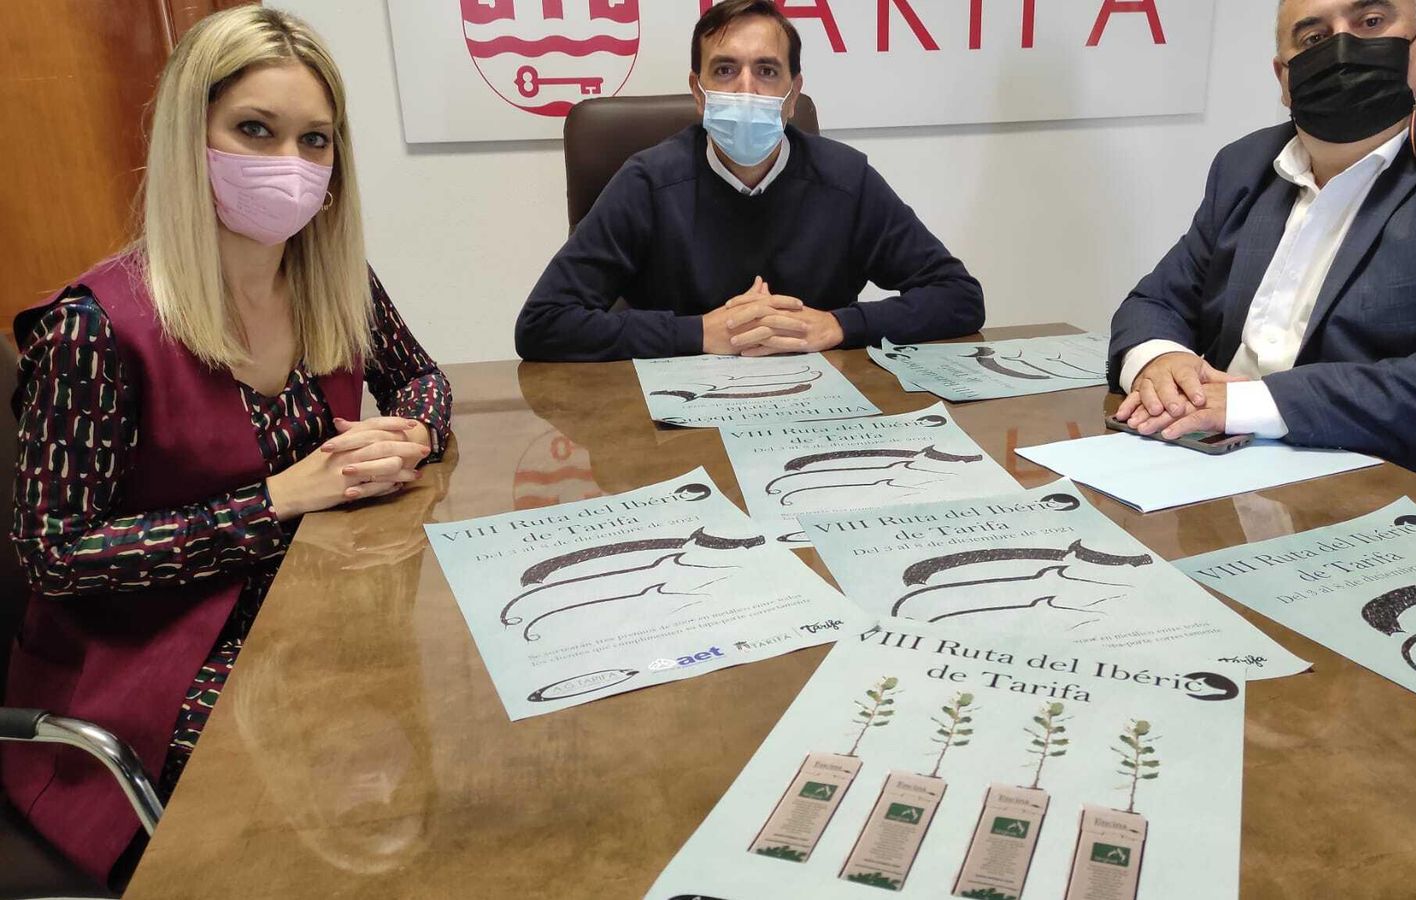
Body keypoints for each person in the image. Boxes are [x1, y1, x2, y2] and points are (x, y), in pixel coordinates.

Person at [3, 7, 452, 886]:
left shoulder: (333, 277)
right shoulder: (93, 330)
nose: (290, 163)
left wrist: (417, 429)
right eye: (255, 129)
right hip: (150, 659)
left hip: (311, 613)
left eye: (314, 140)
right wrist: (278, 499)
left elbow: (423, 377)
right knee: (301, 827)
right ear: (187, 138)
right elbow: (56, 556)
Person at [1108, 0, 1416, 530]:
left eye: (1370, 23)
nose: (1344, 50)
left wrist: (1247, 404)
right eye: (1314, 39)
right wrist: (1161, 365)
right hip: (1229, 486)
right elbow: (1154, 302)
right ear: (1285, 76)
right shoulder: (1245, 165)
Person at [514, 0, 984, 362]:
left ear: (793, 92)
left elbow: (959, 296)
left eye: (766, 70)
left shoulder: (846, 179)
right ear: (699, 93)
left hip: (819, 420)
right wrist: (700, 333)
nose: (746, 88)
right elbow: (542, 323)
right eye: (725, 69)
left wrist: (837, 326)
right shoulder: (647, 183)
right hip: (673, 431)